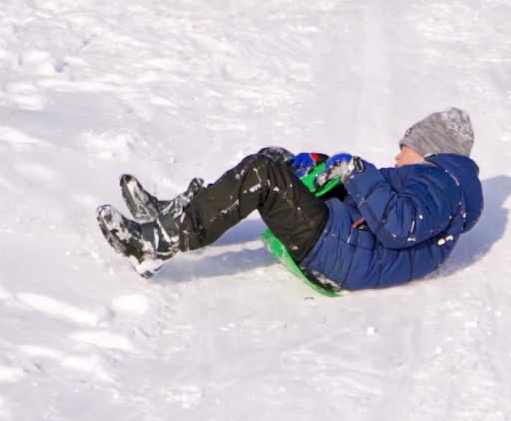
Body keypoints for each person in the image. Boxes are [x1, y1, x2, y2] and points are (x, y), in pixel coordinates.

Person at [97, 107, 483, 292]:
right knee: (276, 159)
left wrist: (357, 172)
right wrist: (324, 169)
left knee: (263, 175)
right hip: (345, 238)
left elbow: (399, 226)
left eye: (405, 146)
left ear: (430, 148)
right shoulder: (437, 184)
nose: (397, 155)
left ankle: (157, 243)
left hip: (343, 251)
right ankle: (173, 217)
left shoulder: (441, 183)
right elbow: (376, 208)